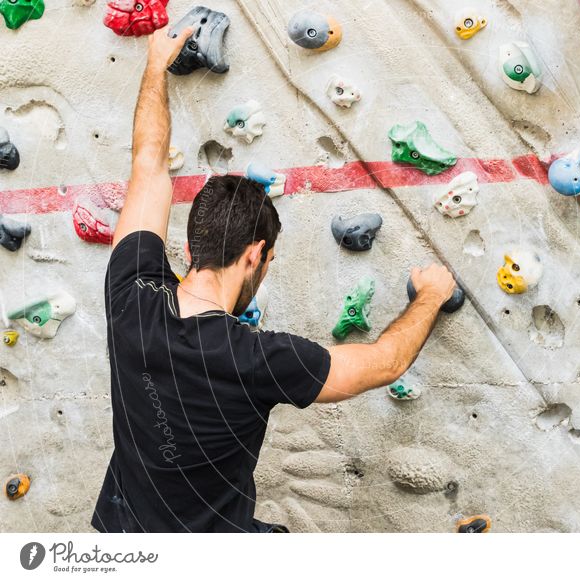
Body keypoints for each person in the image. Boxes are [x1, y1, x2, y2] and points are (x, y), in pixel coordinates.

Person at [91, 28, 457, 532]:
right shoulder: (259, 360)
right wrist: (431, 297)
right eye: (268, 263)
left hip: (123, 537)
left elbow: (148, 165)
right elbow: (383, 364)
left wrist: (155, 67)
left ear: (194, 247)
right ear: (255, 254)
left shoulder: (130, 294)